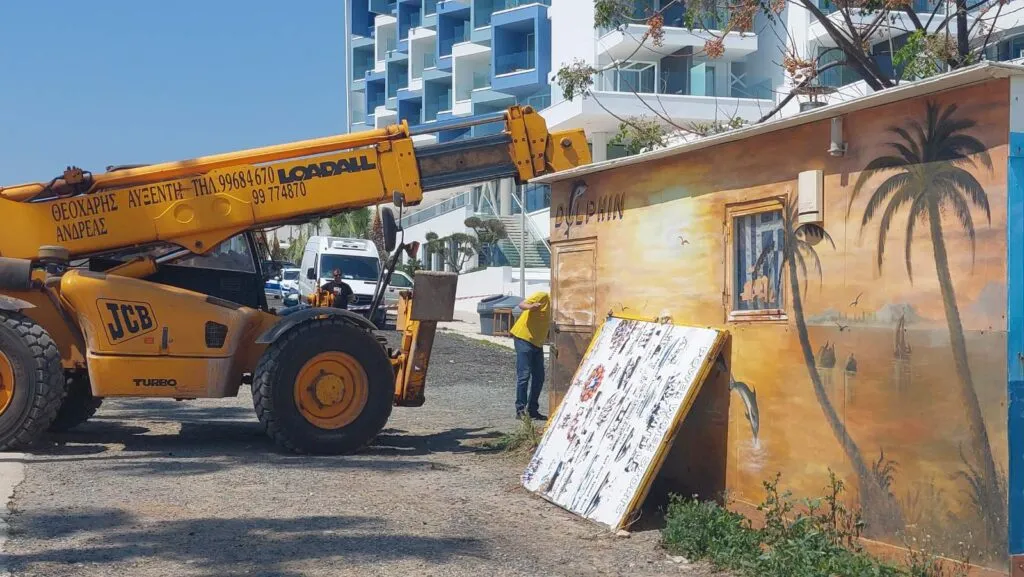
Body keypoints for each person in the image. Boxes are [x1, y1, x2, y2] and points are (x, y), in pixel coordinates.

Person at [509, 290, 550, 420]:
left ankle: (533, 410)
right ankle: (520, 410)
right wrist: (531, 307)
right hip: (523, 338)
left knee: (539, 377)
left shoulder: (559, 307)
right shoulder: (543, 296)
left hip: (537, 342)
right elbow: (522, 305)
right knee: (524, 375)